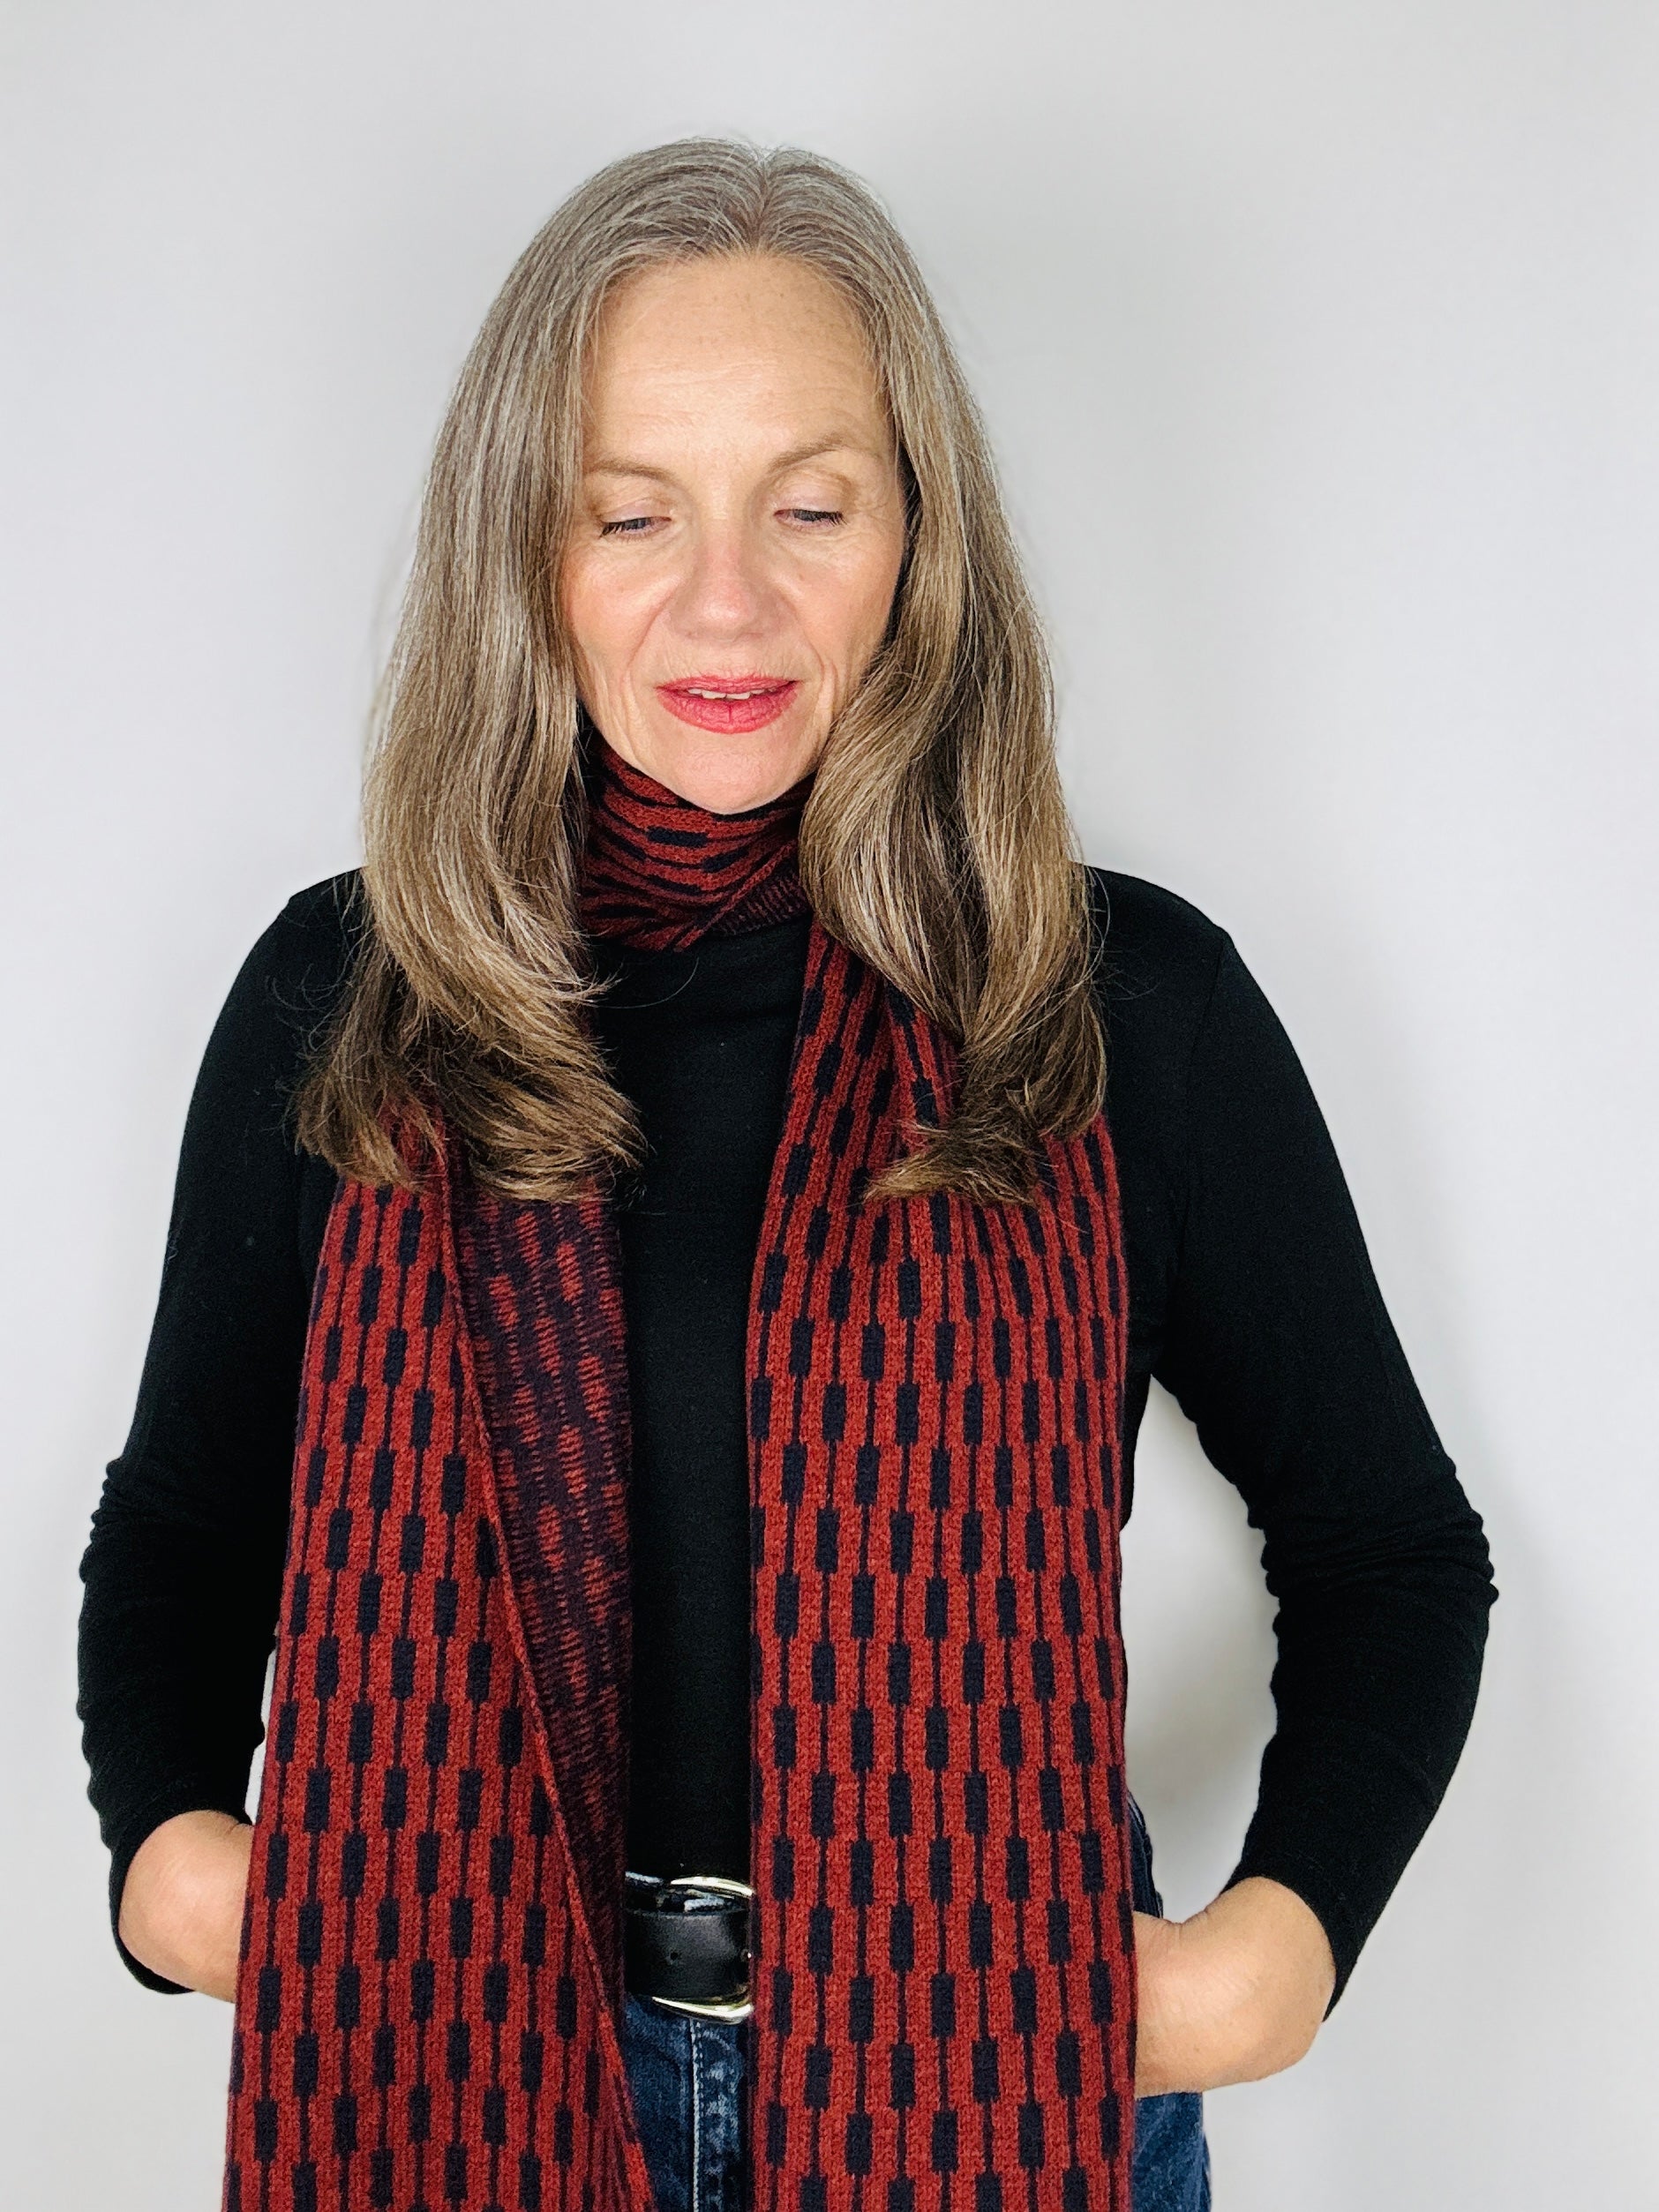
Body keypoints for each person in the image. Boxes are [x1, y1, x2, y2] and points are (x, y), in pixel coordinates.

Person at [77, 140, 1495, 2212]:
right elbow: (189, 1527)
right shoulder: (347, 993)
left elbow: (1389, 1552)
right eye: (629, 511)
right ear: (525, 548)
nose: (723, 600)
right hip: (453, 2052)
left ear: (916, 533)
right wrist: (169, 1864)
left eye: (810, 508)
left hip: (1000, 2077)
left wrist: (1259, 1971)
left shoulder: (1119, 1005)